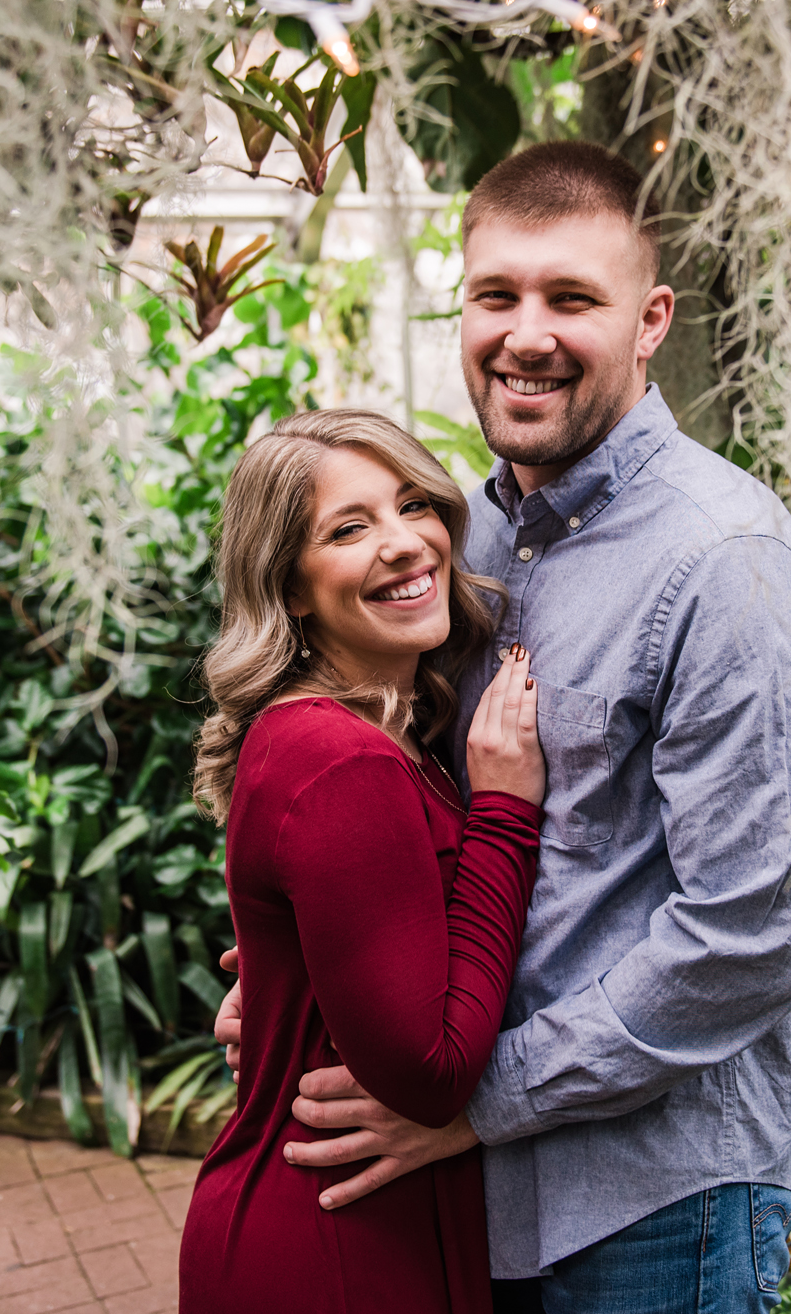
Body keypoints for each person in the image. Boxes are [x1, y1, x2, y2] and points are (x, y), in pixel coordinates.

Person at [233, 141, 791, 1313]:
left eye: (572, 297)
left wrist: (478, 1101)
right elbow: (419, 833)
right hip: (466, 1200)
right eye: (494, 294)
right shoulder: (454, 540)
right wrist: (308, 978)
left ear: (649, 318)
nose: (526, 333)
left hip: (652, 1205)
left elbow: (753, 936)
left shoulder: (731, 564)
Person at [178, 408, 550, 1314]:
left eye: (412, 503)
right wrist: (505, 812)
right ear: (291, 589)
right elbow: (430, 1073)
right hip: (334, 1245)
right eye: (349, 528)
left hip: (352, 1226)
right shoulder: (341, 757)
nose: (404, 543)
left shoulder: (353, 731)